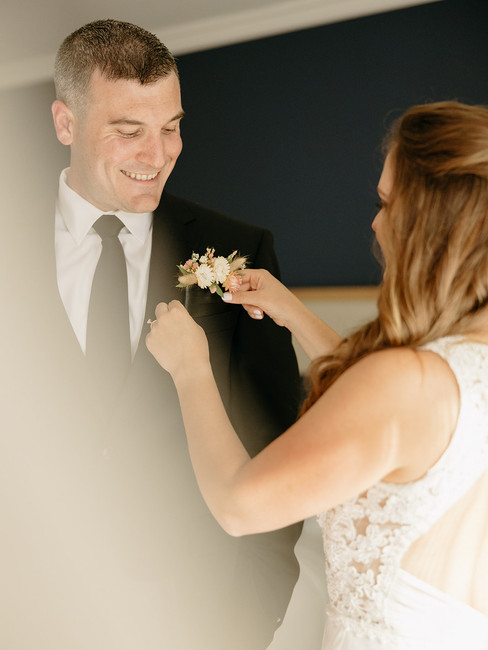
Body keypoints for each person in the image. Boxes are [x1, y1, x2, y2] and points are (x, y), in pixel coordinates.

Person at [1, 19, 302, 650]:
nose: (158, 155)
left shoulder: (241, 251)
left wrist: (248, 617)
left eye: (171, 128)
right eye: (128, 131)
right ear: (65, 124)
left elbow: (279, 445)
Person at [146, 100, 488, 649]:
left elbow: (239, 504)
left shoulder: (408, 382)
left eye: (386, 201)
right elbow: (381, 411)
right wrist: (293, 313)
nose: (375, 222)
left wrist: (191, 369)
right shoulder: (464, 365)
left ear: (430, 222)